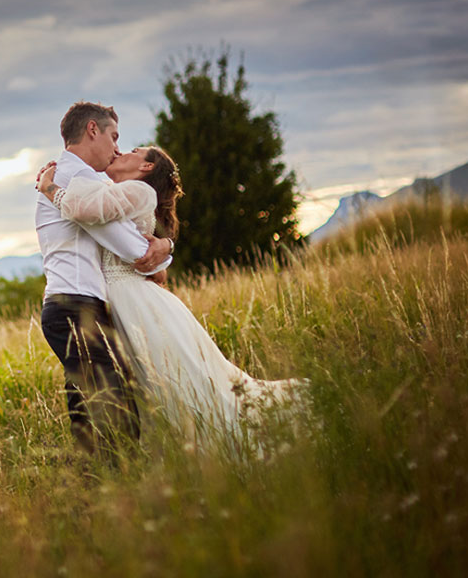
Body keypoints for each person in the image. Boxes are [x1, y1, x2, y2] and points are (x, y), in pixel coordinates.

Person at [36, 145, 308, 453]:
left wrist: (50, 188)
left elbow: (121, 241)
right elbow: (146, 256)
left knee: (181, 384)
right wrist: (166, 248)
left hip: (140, 306)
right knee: (159, 387)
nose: (119, 150)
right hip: (128, 305)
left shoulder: (133, 193)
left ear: (147, 167)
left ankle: (219, 444)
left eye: (133, 151)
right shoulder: (114, 193)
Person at [34, 102, 173, 459]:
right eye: (114, 137)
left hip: (80, 307)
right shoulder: (74, 179)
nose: (116, 149)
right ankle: (114, 488)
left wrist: (166, 245)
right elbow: (130, 248)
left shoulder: (77, 178)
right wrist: (161, 250)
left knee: (90, 411)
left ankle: (96, 495)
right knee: (117, 410)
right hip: (73, 307)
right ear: (92, 130)